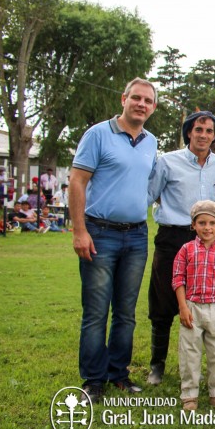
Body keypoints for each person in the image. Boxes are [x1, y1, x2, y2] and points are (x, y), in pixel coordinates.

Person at [70, 77, 158, 403]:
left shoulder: (151, 142)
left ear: (153, 107)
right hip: (100, 233)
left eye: (147, 101)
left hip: (136, 235)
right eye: (136, 98)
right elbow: (77, 182)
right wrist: (79, 230)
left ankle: (117, 373)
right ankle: (94, 380)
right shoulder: (98, 134)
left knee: (126, 312)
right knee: (95, 311)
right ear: (124, 99)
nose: (141, 104)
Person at [145, 111, 215, 385]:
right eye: (198, 129)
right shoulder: (167, 161)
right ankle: (157, 365)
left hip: (207, 240)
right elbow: (151, 193)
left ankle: (201, 363)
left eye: (209, 131)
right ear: (189, 132)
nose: (203, 135)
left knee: (205, 298)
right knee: (164, 299)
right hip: (172, 237)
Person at [172, 201, 215, 411]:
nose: (207, 227)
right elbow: (178, 279)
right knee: (190, 351)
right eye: (202, 223)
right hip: (192, 306)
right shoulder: (186, 249)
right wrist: (183, 307)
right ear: (194, 225)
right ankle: (189, 394)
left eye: (212, 223)